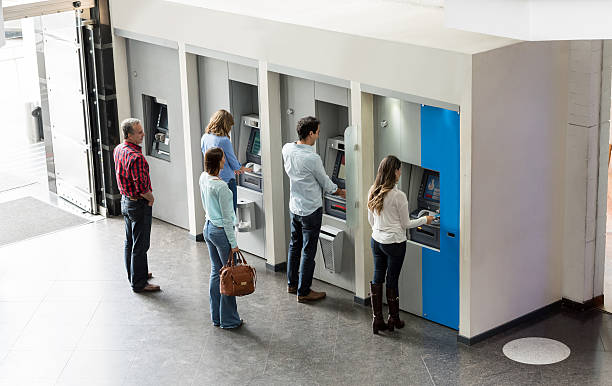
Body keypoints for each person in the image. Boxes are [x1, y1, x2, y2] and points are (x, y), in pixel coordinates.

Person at [282, 116, 346, 303]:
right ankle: (304, 291)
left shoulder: (287, 149)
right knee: (308, 251)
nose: (319, 134)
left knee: (295, 246)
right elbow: (326, 183)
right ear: (310, 133)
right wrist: (340, 191)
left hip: (294, 207)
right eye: (318, 131)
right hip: (311, 210)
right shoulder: (312, 158)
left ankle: (292, 284)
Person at [367, 155, 434, 334]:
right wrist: (425, 220)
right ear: (395, 172)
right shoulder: (399, 196)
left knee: (377, 277)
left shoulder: (373, 190)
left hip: (376, 241)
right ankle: (393, 319)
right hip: (395, 244)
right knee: (392, 280)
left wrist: (381, 231)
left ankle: (377, 320)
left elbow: (371, 220)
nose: (401, 172)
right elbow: (406, 224)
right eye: (400, 169)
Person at [113, 118, 160, 293]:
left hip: (125, 201)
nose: (143, 134)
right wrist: (151, 198)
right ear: (129, 135)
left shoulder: (119, 149)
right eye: (139, 132)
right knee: (141, 245)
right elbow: (141, 186)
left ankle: (134, 273)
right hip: (138, 204)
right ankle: (139, 282)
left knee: (130, 241)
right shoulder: (136, 157)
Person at [200, 147, 243, 329]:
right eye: (223, 158)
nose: (225, 160)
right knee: (228, 275)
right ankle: (230, 320)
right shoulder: (222, 188)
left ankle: (216, 317)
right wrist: (234, 245)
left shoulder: (203, 178)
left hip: (208, 228)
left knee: (216, 273)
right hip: (220, 232)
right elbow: (227, 220)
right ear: (219, 162)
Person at [201, 110, 250, 211]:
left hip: (211, 178)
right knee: (230, 213)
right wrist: (245, 168)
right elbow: (232, 160)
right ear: (225, 125)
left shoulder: (205, 137)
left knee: (216, 211)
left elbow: (208, 157)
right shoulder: (224, 140)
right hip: (227, 181)